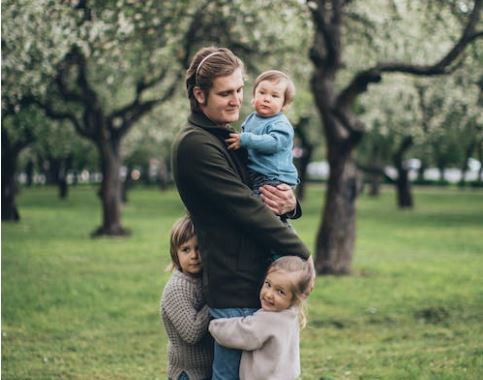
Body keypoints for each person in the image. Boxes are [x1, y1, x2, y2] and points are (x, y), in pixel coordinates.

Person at [171, 46, 311, 380]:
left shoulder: (227, 134)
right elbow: (244, 206)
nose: (237, 99)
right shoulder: (196, 144)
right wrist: (300, 253)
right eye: (225, 93)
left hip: (258, 280)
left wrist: (289, 203)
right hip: (234, 284)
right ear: (199, 94)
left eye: (239, 89)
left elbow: (263, 184)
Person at [208, 256, 316, 380]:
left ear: (295, 298)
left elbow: (241, 332)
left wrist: (213, 325)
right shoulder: (292, 313)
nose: (269, 294)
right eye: (268, 284)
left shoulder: (268, 320)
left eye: (280, 292)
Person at [225, 70, 298, 196]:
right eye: (262, 93)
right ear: (254, 97)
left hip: (274, 178)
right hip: (257, 174)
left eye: (275, 96)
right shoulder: (251, 118)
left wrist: (245, 140)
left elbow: (274, 143)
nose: (266, 99)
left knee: (259, 207)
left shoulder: (281, 124)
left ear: (284, 105)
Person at [160, 215, 213, 380]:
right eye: (186, 249)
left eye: (199, 248)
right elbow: (192, 332)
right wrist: (216, 300)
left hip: (207, 368)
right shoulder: (176, 289)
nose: (194, 255)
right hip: (188, 373)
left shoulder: (202, 277)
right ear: (175, 254)